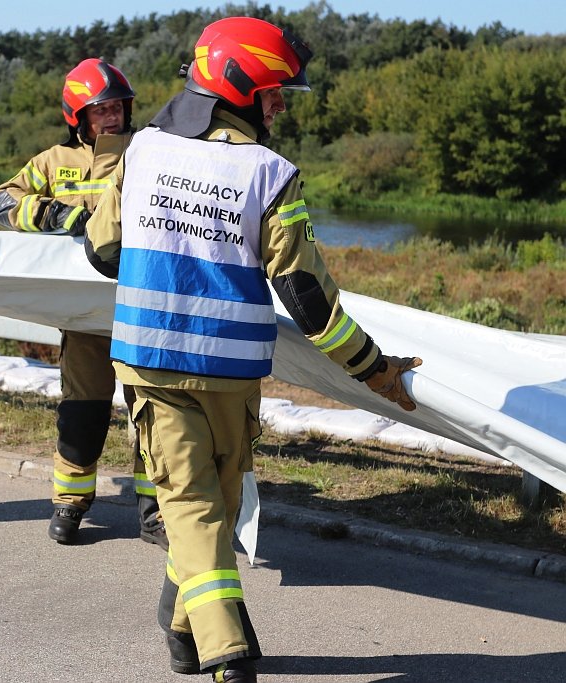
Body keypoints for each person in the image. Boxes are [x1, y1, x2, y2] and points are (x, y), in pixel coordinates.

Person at [85, 17, 422, 682]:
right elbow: (308, 298)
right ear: (236, 88)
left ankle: (182, 629)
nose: (281, 105)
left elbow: (103, 251)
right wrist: (376, 371)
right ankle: (228, 654)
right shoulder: (270, 175)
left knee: (206, 505)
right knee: (197, 503)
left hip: (159, 364)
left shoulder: (143, 151)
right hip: (223, 374)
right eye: (273, 92)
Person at [0, 58, 166, 549]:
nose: (110, 117)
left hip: (143, 308)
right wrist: (50, 213)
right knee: (82, 413)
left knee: (152, 412)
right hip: (85, 318)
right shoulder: (52, 162)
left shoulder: (150, 152)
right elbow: (2, 201)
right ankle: (69, 504)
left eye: (117, 107)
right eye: (99, 110)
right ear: (78, 117)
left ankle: (154, 514)